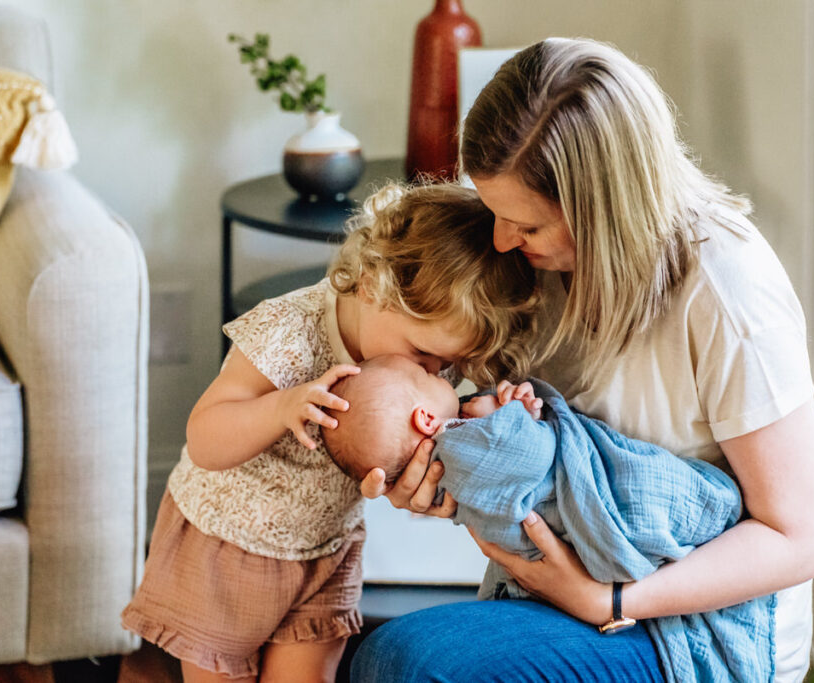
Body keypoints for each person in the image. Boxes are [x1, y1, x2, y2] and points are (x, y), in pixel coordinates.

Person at [354, 38, 814, 682]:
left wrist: (609, 600)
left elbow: (800, 536)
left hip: (694, 623)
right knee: (391, 656)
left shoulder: (727, 291)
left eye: (526, 225)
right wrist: (448, 473)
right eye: (496, 211)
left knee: (419, 666)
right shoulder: (526, 266)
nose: (502, 239)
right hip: (562, 588)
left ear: (605, 212)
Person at [120, 182, 537, 683]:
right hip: (225, 546)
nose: (434, 373)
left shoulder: (430, 365)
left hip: (325, 551)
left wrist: (505, 419)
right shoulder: (290, 331)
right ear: (372, 284)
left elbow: (451, 436)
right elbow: (204, 438)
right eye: (423, 355)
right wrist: (281, 407)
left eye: (447, 364)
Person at [324, 354, 773, 681]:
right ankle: (703, 506)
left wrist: (508, 411)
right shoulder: (460, 446)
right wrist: (512, 417)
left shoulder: (461, 442)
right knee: (388, 658)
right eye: (424, 373)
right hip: (589, 541)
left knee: (407, 662)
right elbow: (531, 457)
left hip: (646, 602)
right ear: (425, 419)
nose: (438, 370)